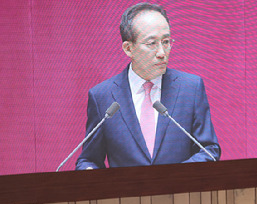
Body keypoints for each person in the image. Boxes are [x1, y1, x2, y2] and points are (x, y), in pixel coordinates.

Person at [75, 3, 220, 170]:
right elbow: (88, 159)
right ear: (128, 48)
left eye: (166, 42)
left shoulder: (190, 89)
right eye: (152, 44)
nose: (162, 52)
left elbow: (209, 150)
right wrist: (89, 172)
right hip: (126, 194)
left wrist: (174, 177)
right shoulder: (102, 97)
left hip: (180, 193)